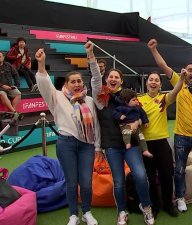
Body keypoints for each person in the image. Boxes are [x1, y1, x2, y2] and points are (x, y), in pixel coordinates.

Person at [148, 39, 192, 213]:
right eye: (190, 70)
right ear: (185, 72)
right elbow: (163, 66)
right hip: (180, 136)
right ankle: (180, 197)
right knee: (178, 169)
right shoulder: (178, 83)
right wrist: (154, 49)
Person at [88, 41, 154, 225]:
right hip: (111, 146)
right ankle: (122, 212)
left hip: (131, 145)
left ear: (121, 81)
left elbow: (141, 115)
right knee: (118, 182)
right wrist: (91, 56)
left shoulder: (130, 98)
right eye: (110, 76)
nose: (113, 79)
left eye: (117, 77)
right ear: (106, 79)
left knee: (140, 175)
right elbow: (94, 77)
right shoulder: (101, 98)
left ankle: (146, 207)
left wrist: (138, 122)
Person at [35, 48, 100, 225]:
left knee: (86, 183)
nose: (78, 84)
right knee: (71, 183)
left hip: (87, 145)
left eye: (79, 81)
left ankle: (87, 212)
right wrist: (41, 64)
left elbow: (96, 125)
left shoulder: (89, 101)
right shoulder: (56, 97)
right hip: (66, 145)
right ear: (66, 84)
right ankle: (73, 215)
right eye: (73, 81)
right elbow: (44, 85)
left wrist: (97, 146)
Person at [142, 39, 186, 217]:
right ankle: (155, 206)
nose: (153, 82)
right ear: (146, 83)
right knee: (151, 178)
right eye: (151, 80)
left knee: (167, 175)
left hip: (162, 143)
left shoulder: (164, 99)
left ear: (160, 85)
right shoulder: (138, 101)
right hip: (145, 146)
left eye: (156, 80)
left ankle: (168, 204)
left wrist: (181, 78)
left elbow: (175, 91)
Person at [0, 52, 21, 117]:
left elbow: (16, 74)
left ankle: (11, 114)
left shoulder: (8, 65)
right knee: (2, 94)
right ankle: (14, 113)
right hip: (0, 88)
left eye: (0, 56)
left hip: (9, 87)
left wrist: (16, 85)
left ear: (3, 57)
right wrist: (2, 86)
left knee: (18, 94)